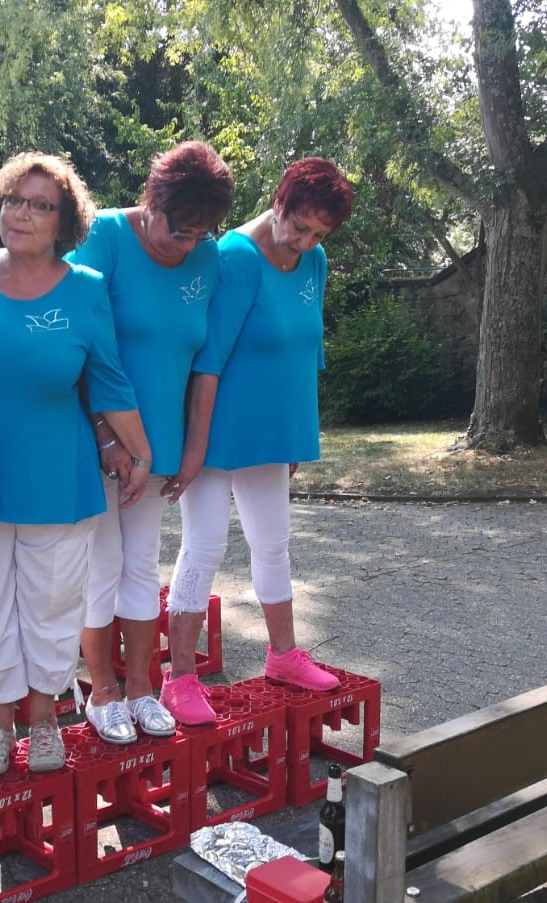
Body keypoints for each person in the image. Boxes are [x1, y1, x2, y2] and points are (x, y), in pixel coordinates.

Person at [0, 153, 151, 774]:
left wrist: (139, 450)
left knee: (53, 605)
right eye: (14, 199)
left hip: (59, 477)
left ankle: (44, 720)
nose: (22, 214)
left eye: (41, 205)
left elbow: (110, 381)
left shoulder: (85, 289)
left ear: (64, 222)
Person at [162, 158, 357, 724]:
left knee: (273, 543)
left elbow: (306, 349)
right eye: (300, 226)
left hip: (272, 431)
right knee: (204, 546)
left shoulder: (313, 261)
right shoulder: (236, 257)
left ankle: (283, 656)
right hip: (217, 428)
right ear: (280, 202)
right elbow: (208, 360)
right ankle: (180, 679)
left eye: (319, 234)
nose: (305, 241)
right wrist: (195, 448)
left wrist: (296, 435)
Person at [74, 141, 235, 745]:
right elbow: (79, 344)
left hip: (159, 443)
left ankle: (141, 689)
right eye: (179, 229)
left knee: (141, 564)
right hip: (93, 437)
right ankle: (102, 693)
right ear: (151, 200)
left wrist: (192, 449)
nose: (187, 244)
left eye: (201, 233)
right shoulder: (104, 237)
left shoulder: (207, 258)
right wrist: (104, 436)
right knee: (102, 564)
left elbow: (204, 359)